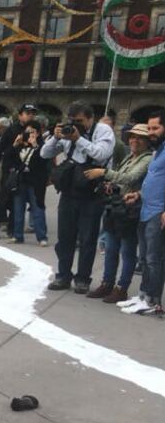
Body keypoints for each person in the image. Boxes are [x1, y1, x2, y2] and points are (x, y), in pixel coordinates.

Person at [42, 101, 116, 294]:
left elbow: (101, 154)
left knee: (88, 238)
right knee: (65, 236)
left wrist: (78, 139)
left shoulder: (103, 131)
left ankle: (83, 278)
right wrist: (54, 137)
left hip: (91, 193)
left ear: (91, 118)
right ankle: (63, 275)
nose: (76, 125)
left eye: (81, 121)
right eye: (73, 121)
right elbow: (44, 153)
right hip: (69, 191)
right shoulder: (68, 131)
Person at [82, 123, 153, 303]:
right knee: (112, 248)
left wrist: (104, 173)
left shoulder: (147, 159)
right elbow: (123, 179)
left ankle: (121, 288)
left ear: (147, 141)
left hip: (130, 208)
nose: (134, 140)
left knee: (127, 251)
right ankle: (107, 283)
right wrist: (111, 185)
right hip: (116, 206)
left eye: (139, 137)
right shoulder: (130, 156)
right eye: (132, 136)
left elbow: (131, 178)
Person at [117, 111, 165, 315]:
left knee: (154, 258)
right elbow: (154, 181)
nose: (151, 132)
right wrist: (138, 194)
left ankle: (153, 300)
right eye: (150, 128)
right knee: (144, 257)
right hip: (146, 209)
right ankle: (144, 294)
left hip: (158, 212)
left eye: (156, 128)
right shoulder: (158, 150)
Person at [4, 120, 50, 247]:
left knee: (37, 209)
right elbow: (7, 158)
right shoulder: (20, 144)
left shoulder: (42, 146)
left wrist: (35, 145)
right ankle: (17, 235)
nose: (29, 134)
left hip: (36, 182)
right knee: (18, 209)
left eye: (33, 132)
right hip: (21, 180)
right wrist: (14, 145)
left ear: (39, 133)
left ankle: (42, 237)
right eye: (27, 131)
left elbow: (42, 162)